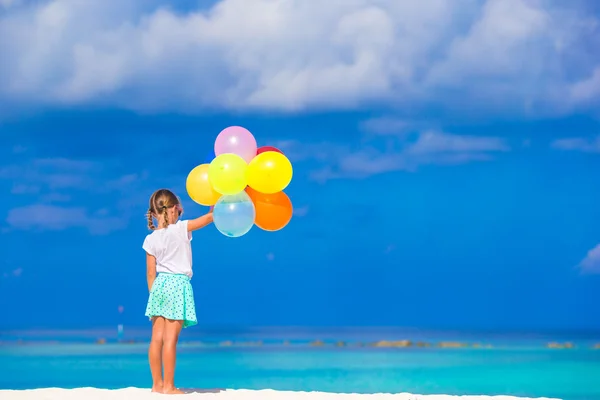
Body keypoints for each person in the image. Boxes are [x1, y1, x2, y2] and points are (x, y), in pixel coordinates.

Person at [142, 189, 213, 394]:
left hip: (159, 287)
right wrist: (214, 205)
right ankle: (170, 386)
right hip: (177, 285)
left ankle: (157, 385)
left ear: (154, 213)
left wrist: (153, 296)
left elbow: (150, 273)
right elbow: (209, 218)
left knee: (157, 339)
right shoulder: (182, 228)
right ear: (174, 209)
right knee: (171, 339)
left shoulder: (151, 239)